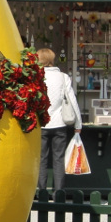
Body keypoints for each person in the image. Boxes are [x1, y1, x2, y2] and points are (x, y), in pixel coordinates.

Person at [37, 47, 82, 192]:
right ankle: (58, 193)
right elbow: (72, 100)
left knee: (41, 160)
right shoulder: (63, 77)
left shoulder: (35, 76)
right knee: (58, 160)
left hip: (41, 125)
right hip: (59, 124)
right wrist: (78, 123)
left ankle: (41, 192)